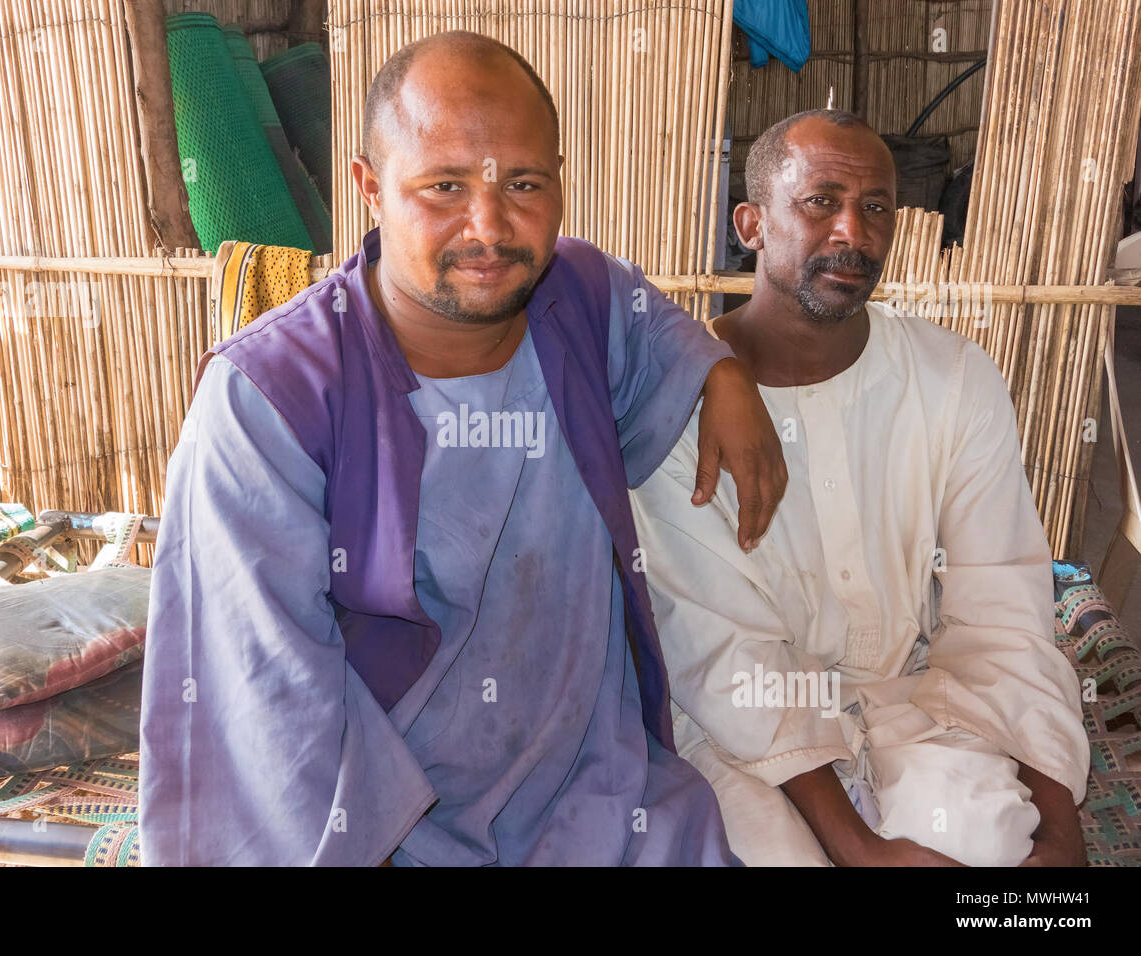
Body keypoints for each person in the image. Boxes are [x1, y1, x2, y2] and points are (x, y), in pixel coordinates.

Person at [137, 30, 787, 866]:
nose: (490, 226)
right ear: (370, 189)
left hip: (603, 793)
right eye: (443, 186)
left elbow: (655, 321)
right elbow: (265, 703)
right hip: (394, 826)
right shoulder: (271, 400)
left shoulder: (579, 300)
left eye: (523, 183)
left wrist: (723, 374)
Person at [631, 109, 1090, 867]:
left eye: (876, 206)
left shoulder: (951, 378)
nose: (854, 230)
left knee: (987, 838)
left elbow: (1002, 609)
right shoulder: (675, 407)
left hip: (913, 696)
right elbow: (721, 655)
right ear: (751, 224)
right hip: (735, 730)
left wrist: (1059, 825)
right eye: (821, 201)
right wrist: (860, 848)